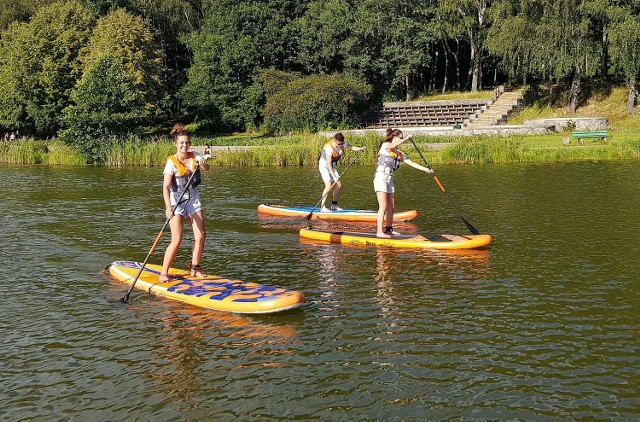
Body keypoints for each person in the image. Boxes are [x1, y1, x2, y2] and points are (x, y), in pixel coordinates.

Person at [160, 124, 211, 282]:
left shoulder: (194, 155)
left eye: (187, 142)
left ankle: (195, 267)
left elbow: (207, 169)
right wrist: (168, 207)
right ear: (175, 143)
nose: (185, 145)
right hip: (177, 201)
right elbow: (166, 187)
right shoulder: (171, 163)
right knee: (177, 239)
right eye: (182, 143)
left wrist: (203, 163)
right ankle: (163, 272)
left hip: (193, 199)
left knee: (201, 235)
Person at [374, 128, 433, 238]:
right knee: (383, 206)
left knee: (392, 206)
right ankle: (379, 232)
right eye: (400, 138)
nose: (401, 140)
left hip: (389, 179)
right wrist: (406, 138)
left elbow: (411, 162)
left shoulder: (399, 153)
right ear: (394, 137)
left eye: (402, 138)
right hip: (381, 177)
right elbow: (392, 145)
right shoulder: (386, 145)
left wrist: (426, 169)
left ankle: (389, 229)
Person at [318, 132, 366, 212]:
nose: (341, 145)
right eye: (339, 144)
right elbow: (328, 164)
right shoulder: (328, 147)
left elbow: (351, 147)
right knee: (328, 184)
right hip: (324, 166)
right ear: (335, 141)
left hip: (332, 166)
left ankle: (334, 205)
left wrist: (360, 149)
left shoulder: (342, 143)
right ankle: (322, 207)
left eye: (342, 144)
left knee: (339, 184)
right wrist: (334, 177)